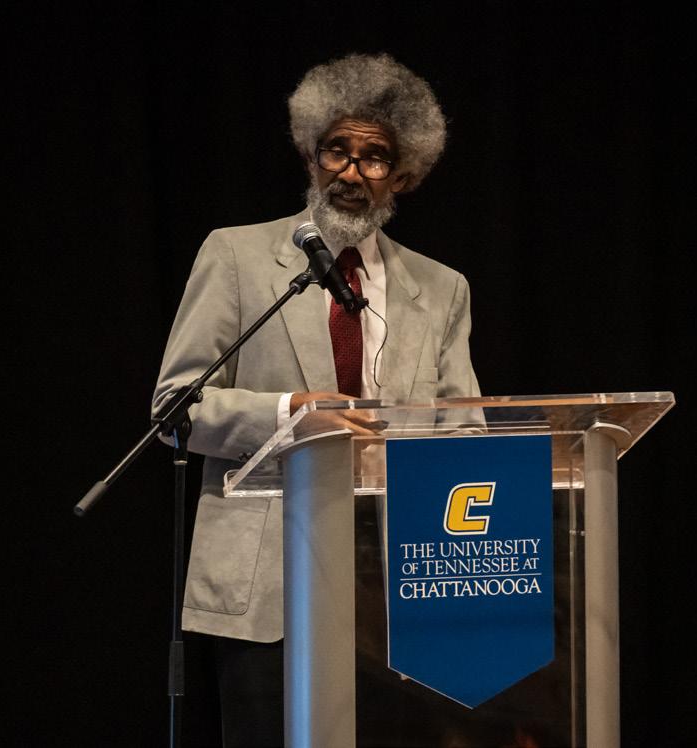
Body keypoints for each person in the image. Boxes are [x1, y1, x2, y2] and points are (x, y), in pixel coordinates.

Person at [152, 53, 480, 746]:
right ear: (310, 152)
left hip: (399, 589)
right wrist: (290, 414)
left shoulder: (441, 288)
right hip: (268, 587)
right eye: (337, 150)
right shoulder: (237, 256)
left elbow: (468, 432)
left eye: (375, 157)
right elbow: (177, 409)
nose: (351, 173)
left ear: (404, 174)